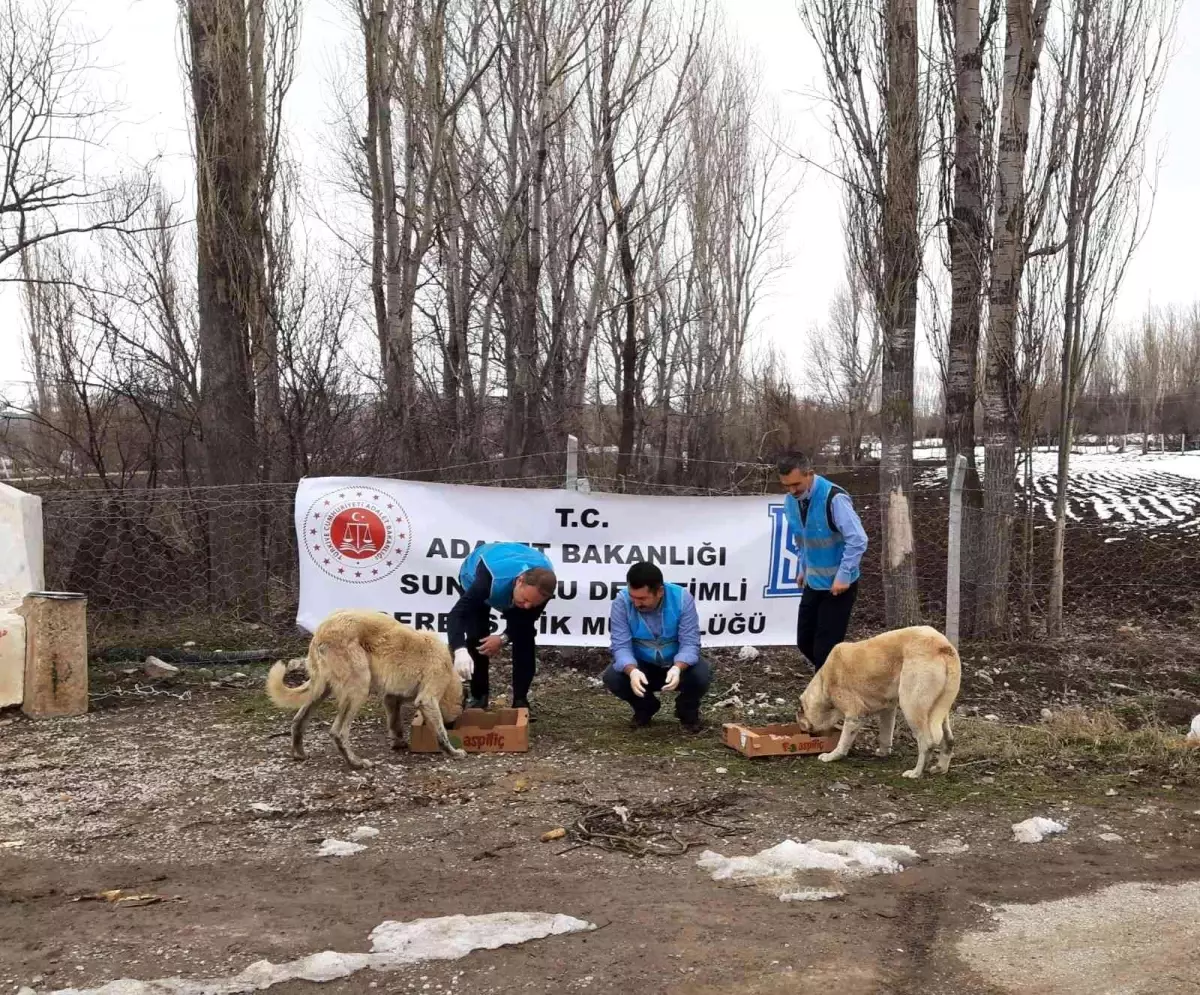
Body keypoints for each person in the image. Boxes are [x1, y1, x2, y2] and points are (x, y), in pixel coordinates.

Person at [776, 451, 869, 672]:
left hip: (839, 587)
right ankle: (841, 676)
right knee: (804, 641)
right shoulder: (791, 502)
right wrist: (803, 567)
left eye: (796, 484)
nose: (792, 490)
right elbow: (802, 538)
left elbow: (858, 539)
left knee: (825, 650)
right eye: (786, 485)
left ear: (810, 474)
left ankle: (826, 699)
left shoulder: (834, 499)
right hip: (813, 581)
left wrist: (844, 575)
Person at [602, 562, 711, 733]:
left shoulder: (682, 598)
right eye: (633, 597)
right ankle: (645, 707)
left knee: (702, 674)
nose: (636, 603)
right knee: (613, 676)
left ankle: (687, 711)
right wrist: (632, 671)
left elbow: (690, 643)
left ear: (660, 591)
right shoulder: (622, 602)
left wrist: (678, 667)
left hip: (676, 666)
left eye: (643, 598)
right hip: (643, 666)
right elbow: (620, 645)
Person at [448, 542, 557, 712]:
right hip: (476, 573)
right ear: (519, 581)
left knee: (525, 636)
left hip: (512, 579)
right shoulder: (487, 580)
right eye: (526, 600)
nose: (528, 606)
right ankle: (479, 696)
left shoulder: (542, 589)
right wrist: (459, 650)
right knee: (477, 635)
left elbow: (525, 622)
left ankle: (521, 700)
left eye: (533, 603)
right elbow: (456, 615)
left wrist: (502, 638)